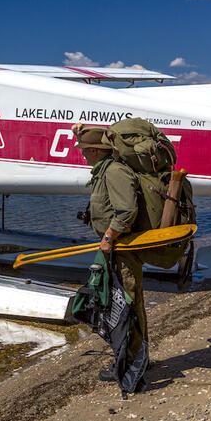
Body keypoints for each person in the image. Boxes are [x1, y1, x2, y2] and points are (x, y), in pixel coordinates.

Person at [72, 123, 148, 389]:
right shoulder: (103, 168)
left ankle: (130, 369)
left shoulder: (114, 172)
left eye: (84, 149)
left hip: (122, 250)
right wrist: (77, 131)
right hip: (117, 248)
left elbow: (126, 211)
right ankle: (137, 360)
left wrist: (108, 237)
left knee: (125, 305)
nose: (81, 153)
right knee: (130, 304)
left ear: (95, 150)